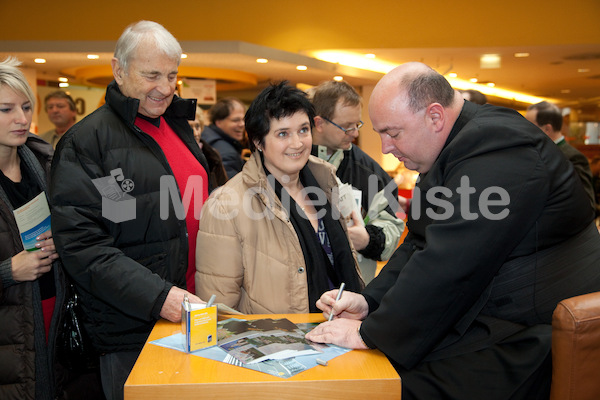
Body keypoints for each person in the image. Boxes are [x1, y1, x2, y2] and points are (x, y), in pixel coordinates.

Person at [306, 62, 600, 399]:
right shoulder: (453, 148)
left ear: (434, 117)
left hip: (528, 333)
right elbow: (419, 243)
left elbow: (453, 261)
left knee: (388, 389)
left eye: (393, 132)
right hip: (488, 315)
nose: (385, 147)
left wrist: (369, 334)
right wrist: (370, 302)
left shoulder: (499, 146)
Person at [48, 21, 208, 400]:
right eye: (151, 74)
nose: (166, 88)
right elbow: (85, 246)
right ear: (118, 70)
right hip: (134, 326)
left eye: (172, 75)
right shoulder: (88, 142)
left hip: (195, 312)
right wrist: (160, 297)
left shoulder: (177, 124)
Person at [196, 82, 364, 314]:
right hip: (275, 344)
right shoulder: (226, 205)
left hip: (340, 332)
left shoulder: (325, 182)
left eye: (303, 130)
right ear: (257, 141)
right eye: (283, 134)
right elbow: (218, 308)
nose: (297, 143)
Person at [0, 57, 64, 399]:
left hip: (55, 315)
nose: (22, 119)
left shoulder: (44, 161)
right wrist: (9, 270)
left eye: (25, 107)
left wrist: (62, 240)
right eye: (6, 109)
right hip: (11, 332)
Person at [309, 81, 404, 283]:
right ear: (319, 123)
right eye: (346, 127)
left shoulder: (371, 173)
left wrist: (368, 240)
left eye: (357, 125)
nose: (355, 133)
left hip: (351, 290)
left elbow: (393, 225)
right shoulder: (290, 164)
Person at [526, 101, 595, 208]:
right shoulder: (534, 153)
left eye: (529, 126)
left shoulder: (573, 158)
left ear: (547, 129)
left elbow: (586, 204)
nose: (525, 131)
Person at [201, 97, 246, 179]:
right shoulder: (227, 154)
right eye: (236, 120)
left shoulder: (205, 134)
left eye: (243, 120)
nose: (242, 124)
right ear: (219, 122)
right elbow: (232, 188)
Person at [189, 106, 228, 188]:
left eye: (197, 126)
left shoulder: (212, 155)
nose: (196, 133)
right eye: (190, 128)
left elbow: (224, 189)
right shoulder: (174, 158)